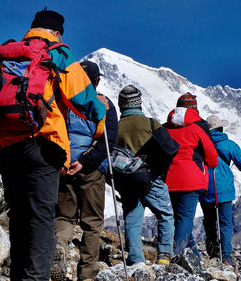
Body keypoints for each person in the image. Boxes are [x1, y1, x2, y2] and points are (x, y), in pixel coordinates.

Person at [0, 9, 108, 281]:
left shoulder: (7, 55)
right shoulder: (58, 53)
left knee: (20, 218)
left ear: (32, 28)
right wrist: (101, 115)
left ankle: (19, 276)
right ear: (57, 32)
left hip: (6, 149)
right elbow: (84, 99)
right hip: (43, 147)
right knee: (42, 219)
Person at [53, 61, 118, 281]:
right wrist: (87, 161)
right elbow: (108, 141)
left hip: (64, 165)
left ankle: (59, 246)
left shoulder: (63, 99)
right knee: (92, 223)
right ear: (97, 80)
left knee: (63, 215)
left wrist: (64, 160)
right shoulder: (104, 104)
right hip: (91, 170)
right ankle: (87, 274)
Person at [116, 85, 175, 266]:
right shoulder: (151, 124)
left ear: (121, 105)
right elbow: (170, 149)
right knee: (165, 214)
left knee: (132, 219)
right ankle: (164, 255)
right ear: (139, 103)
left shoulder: (115, 128)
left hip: (127, 180)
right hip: (152, 178)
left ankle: (136, 260)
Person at [164, 93, 219, 257]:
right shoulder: (197, 128)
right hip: (192, 180)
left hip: (169, 179)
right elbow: (213, 159)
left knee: (179, 218)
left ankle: (195, 256)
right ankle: (177, 256)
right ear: (194, 109)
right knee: (185, 219)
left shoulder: (165, 128)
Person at [199, 114, 241, 265]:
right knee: (225, 223)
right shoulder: (228, 144)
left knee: (209, 222)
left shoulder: (200, 143)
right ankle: (226, 257)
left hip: (205, 186)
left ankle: (212, 254)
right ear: (221, 128)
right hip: (224, 189)